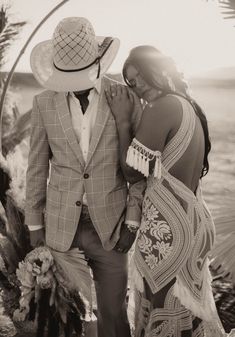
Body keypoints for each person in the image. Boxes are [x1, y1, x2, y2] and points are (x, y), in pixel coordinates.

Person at [25, 17, 145, 337]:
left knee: (114, 315)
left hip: (113, 228)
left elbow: (138, 167)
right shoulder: (43, 103)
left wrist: (132, 222)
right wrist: (35, 225)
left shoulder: (124, 98)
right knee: (67, 318)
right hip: (60, 228)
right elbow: (36, 167)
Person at [105, 45, 226, 336]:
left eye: (142, 76)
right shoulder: (189, 106)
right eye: (132, 82)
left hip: (168, 231)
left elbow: (133, 170)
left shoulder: (164, 106)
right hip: (194, 222)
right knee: (185, 312)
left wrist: (123, 121)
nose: (139, 86)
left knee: (160, 311)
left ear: (160, 70)